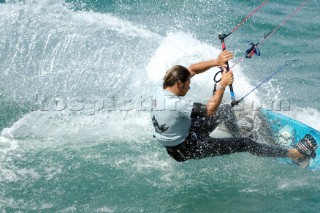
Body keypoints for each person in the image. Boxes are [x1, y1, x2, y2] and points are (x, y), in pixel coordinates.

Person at [151, 50, 318, 167]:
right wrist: (222, 85)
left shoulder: (163, 86)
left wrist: (216, 62)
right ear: (178, 84)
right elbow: (209, 110)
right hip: (186, 148)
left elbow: (192, 69)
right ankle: (295, 155)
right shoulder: (176, 104)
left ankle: (237, 135)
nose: (189, 87)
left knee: (225, 110)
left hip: (186, 131)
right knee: (245, 143)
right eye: (187, 85)